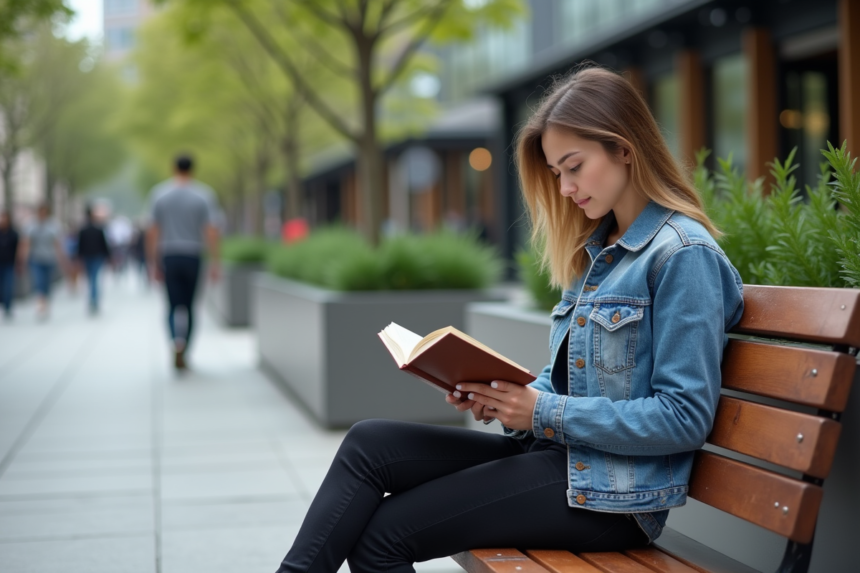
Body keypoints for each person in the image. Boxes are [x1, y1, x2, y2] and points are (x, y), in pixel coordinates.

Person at [273, 66, 745, 573]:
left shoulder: (682, 255)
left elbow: (683, 417)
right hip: (558, 461)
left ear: (624, 149)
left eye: (574, 166)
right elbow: (573, 382)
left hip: (610, 499)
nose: (564, 188)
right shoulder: (600, 251)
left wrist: (540, 411)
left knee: (383, 536)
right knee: (370, 443)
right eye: (557, 173)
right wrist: (499, 395)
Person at [147, 154, 220, 371]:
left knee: (171, 305)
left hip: (169, 254)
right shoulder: (204, 195)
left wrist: (152, 262)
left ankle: (174, 342)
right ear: (193, 169)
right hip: (193, 255)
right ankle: (185, 348)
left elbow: (152, 231)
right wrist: (216, 261)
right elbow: (211, 231)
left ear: (173, 168)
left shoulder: (160, 194)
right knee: (189, 307)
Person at [20, 204, 67, 320]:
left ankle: (46, 302)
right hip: (36, 259)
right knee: (39, 282)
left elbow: (57, 243)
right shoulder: (31, 224)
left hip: (50, 258)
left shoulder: (53, 224)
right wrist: (23, 259)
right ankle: (41, 304)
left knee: (47, 284)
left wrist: (63, 259)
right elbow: (26, 243)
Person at [76, 205, 112, 314]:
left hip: (88, 257)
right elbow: (104, 245)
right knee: (95, 279)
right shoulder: (99, 229)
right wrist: (108, 257)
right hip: (97, 256)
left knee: (91, 279)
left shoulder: (83, 230)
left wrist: (78, 258)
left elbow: (80, 246)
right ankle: (94, 300)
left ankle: (92, 299)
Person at [0, 210, 21, 319]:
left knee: (8, 286)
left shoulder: (13, 234)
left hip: (9, 264)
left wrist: (19, 263)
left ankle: (8, 307)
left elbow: (19, 249)